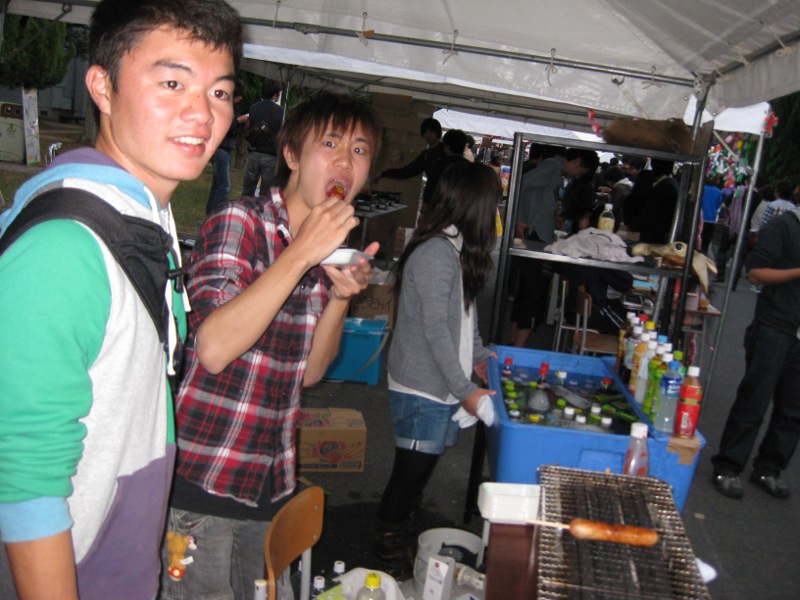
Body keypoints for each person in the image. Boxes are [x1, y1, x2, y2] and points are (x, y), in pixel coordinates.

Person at [0, 1, 242, 598]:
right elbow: (24, 479)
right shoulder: (65, 246)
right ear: (102, 87)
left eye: (219, 92)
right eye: (172, 83)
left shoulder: (143, 221)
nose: (202, 113)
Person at [160, 92, 381, 600]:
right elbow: (214, 348)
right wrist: (301, 253)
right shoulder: (240, 222)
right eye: (330, 144)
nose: (345, 162)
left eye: (360, 150)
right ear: (292, 155)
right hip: (201, 484)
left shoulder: (325, 250)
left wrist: (340, 297)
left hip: (269, 482)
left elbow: (311, 372)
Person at [374, 161, 500, 576]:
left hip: (438, 383)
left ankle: (402, 536)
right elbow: (435, 331)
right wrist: (465, 389)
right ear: (473, 205)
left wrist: (479, 354)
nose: (494, 212)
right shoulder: (435, 253)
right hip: (422, 387)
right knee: (409, 476)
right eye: (491, 204)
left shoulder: (455, 247)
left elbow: (463, 315)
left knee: (418, 472)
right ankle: (388, 551)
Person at [711, 207, 800, 500]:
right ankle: (727, 467)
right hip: (775, 326)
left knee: (792, 410)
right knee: (754, 400)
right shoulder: (785, 225)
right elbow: (756, 273)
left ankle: (769, 469)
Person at [509, 148, 598, 347]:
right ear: (576, 161)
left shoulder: (553, 168)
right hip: (535, 236)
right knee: (534, 294)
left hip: (536, 235)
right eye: (581, 171)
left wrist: (550, 216)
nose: (578, 176)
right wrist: (519, 219)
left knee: (526, 291)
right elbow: (521, 183)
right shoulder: (553, 167)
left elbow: (533, 193)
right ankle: (518, 346)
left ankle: (514, 342)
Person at [373, 117, 446, 207]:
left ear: (437, 133)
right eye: (425, 132)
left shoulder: (445, 151)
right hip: (430, 198)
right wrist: (384, 173)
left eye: (431, 132)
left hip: (445, 197)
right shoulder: (426, 155)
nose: (428, 135)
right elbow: (407, 171)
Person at [207, 78, 247, 215]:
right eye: (240, 95)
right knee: (224, 186)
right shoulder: (225, 107)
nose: (240, 99)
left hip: (223, 148)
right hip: (221, 148)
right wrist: (238, 121)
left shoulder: (227, 106)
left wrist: (240, 125)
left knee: (217, 185)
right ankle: (218, 216)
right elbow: (224, 126)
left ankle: (210, 215)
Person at [241, 78, 284, 197]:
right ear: (275, 94)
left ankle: (245, 208)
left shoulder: (253, 108)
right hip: (271, 155)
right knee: (265, 194)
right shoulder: (281, 112)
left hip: (253, 153)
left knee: (247, 191)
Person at [638, 159, 678, 244]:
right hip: (661, 234)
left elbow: (654, 212)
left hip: (657, 236)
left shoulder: (665, 186)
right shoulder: (670, 184)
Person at [700, 175, 723, 254]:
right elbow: (718, 206)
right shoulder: (718, 192)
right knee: (706, 242)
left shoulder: (701, 189)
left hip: (700, 218)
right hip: (711, 220)